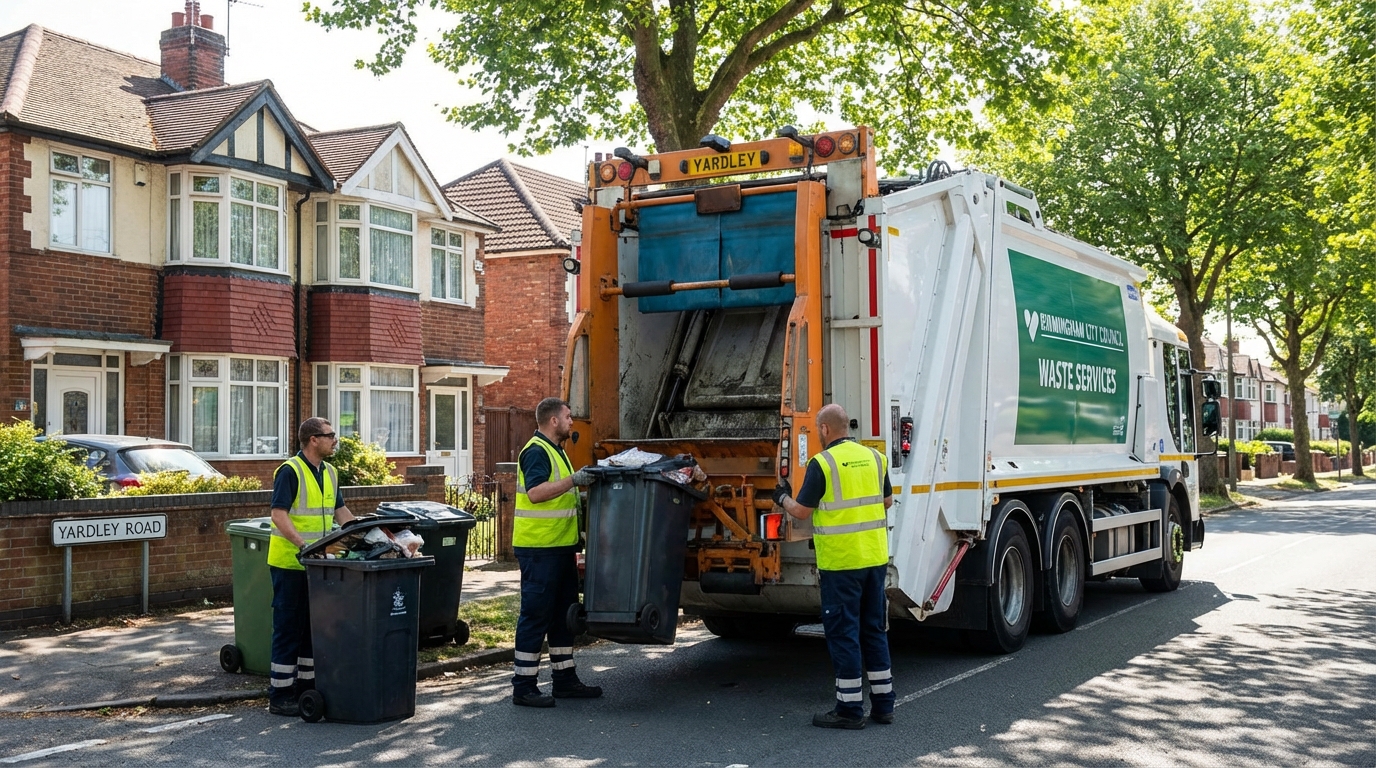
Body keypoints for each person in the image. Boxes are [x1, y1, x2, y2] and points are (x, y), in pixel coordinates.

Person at [773, 403, 896, 729]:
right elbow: (886, 501)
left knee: (843, 634)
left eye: (817, 429)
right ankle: (884, 705)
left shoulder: (822, 464)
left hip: (841, 564)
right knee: (874, 630)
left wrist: (781, 497)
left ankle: (849, 711)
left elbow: (801, 511)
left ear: (825, 429)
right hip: (874, 559)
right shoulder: (875, 458)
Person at [511, 397, 602, 707]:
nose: (572, 422)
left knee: (563, 617)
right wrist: (574, 480)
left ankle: (564, 680)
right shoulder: (537, 451)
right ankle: (523, 686)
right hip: (540, 549)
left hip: (560, 548)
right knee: (536, 615)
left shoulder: (557, 451)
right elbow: (536, 494)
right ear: (553, 421)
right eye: (568, 416)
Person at [266, 417, 354, 717]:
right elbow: (279, 515)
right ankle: (279, 695)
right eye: (330, 436)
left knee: (312, 629)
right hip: (290, 563)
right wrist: (304, 546)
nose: (335, 441)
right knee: (289, 629)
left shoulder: (330, 472)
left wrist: (365, 534)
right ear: (313, 440)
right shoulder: (290, 471)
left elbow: (341, 512)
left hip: (318, 564)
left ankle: (305, 689)